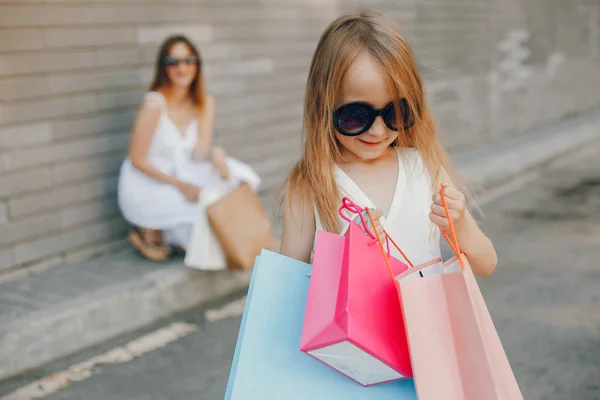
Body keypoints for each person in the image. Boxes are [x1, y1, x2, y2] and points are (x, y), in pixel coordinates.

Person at [278, 10, 497, 276]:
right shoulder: (309, 183)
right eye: (356, 116)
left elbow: (486, 264)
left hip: (426, 318)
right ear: (323, 107)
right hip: (353, 320)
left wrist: (459, 226)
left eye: (397, 112)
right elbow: (288, 286)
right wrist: (342, 258)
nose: (378, 131)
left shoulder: (424, 168)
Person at [118, 35, 261, 261]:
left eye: (188, 60)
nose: (182, 68)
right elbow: (137, 159)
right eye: (173, 62)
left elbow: (199, 152)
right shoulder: (154, 104)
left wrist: (217, 154)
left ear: (197, 64)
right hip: (149, 182)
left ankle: (164, 234)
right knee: (203, 212)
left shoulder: (204, 101)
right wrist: (180, 184)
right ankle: (149, 230)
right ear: (164, 67)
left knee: (236, 176)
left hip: (183, 172)